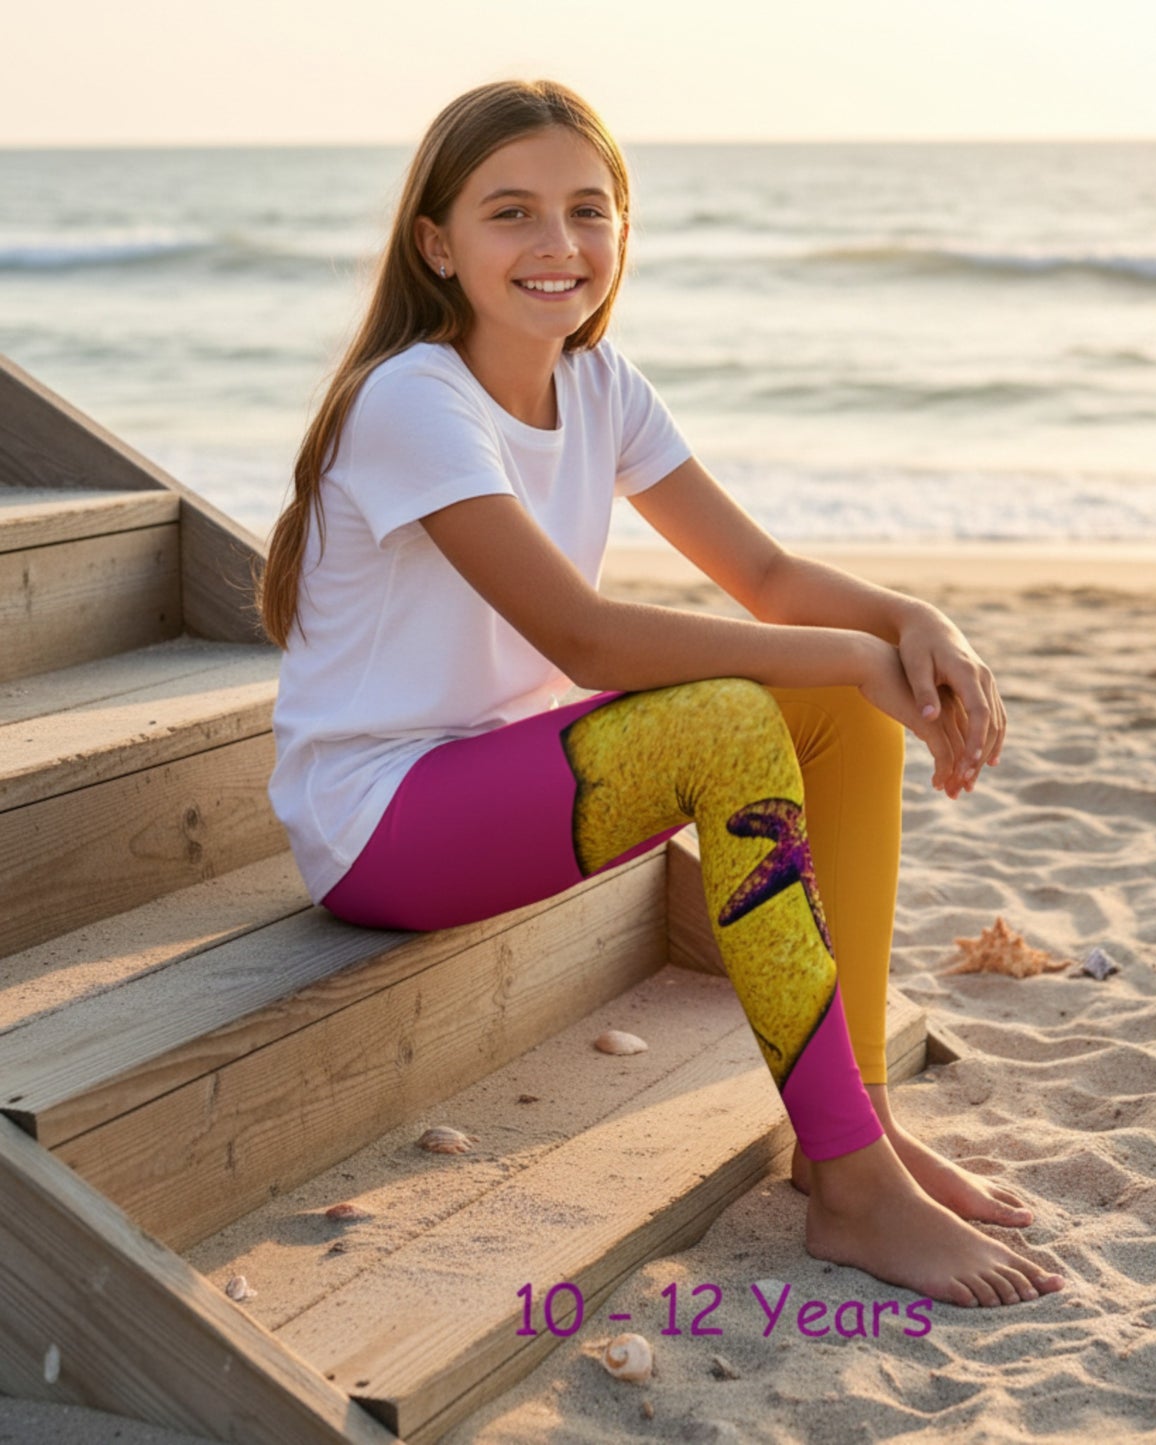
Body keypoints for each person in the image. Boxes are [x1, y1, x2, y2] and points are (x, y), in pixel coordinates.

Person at [257, 79, 1064, 1311]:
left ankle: (858, 1128)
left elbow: (767, 575)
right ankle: (849, 1188)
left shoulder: (598, 384)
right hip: (382, 826)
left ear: (622, 229)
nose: (556, 245)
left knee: (837, 703)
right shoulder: (412, 398)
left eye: (588, 210)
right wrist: (853, 652)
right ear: (437, 243)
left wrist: (906, 620)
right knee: (738, 711)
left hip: (506, 779)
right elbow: (582, 635)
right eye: (510, 212)